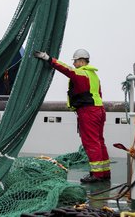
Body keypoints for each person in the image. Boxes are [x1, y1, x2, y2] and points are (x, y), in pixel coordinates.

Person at [34, 49, 111, 183]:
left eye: (75, 61)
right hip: (99, 110)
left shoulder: (81, 73)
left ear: (81, 61)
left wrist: (48, 58)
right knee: (99, 141)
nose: (74, 64)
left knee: (91, 143)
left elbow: (66, 69)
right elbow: (98, 94)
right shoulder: (93, 75)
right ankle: (104, 172)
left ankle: (97, 175)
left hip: (88, 112)